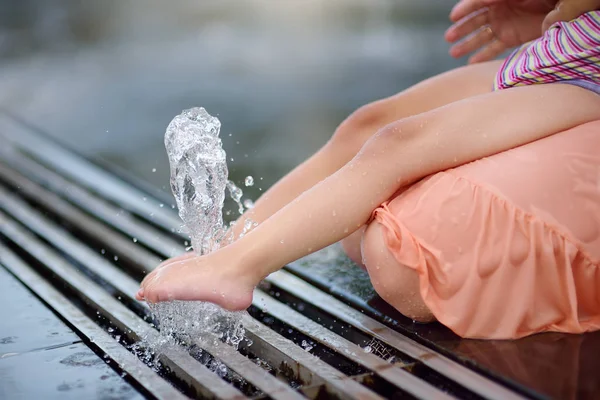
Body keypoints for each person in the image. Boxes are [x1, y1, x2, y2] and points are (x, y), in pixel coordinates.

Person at [137, 0, 600, 340]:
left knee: (399, 144)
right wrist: (548, 16)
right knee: (369, 123)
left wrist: (565, 10)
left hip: (590, 76)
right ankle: (225, 248)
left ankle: (237, 270)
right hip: (568, 53)